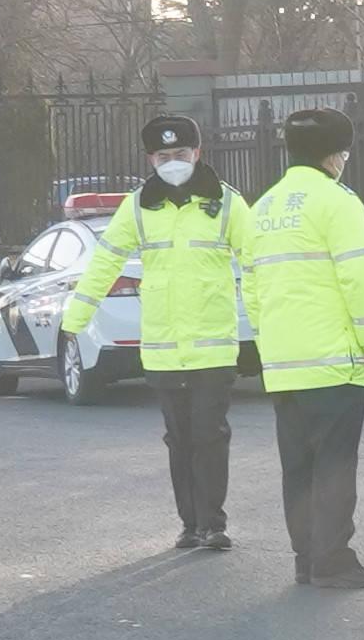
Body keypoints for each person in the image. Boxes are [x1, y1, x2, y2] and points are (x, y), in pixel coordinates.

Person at [81, 114, 253, 551]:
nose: (172, 162)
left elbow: (255, 263)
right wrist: (77, 315)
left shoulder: (227, 203)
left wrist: (264, 321)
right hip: (162, 347)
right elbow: (106, 260)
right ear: (150, 158)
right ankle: (189, 524)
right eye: (163, 155)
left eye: (180, 154)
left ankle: (214, 523)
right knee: (178, 438)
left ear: (197, 154)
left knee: (210, 434)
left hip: (212, 346)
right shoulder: (139, 205)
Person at [240, 109, 364, 589]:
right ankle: (333, 561)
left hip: (284, 364)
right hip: (334, 362)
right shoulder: (338, 202)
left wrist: (270, 340)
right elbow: (358, 275)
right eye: (344, 151)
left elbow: (251, 285)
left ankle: (306, 559)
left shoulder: (262, 207)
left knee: (298, 468)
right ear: (334, 155)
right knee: (334, 465)